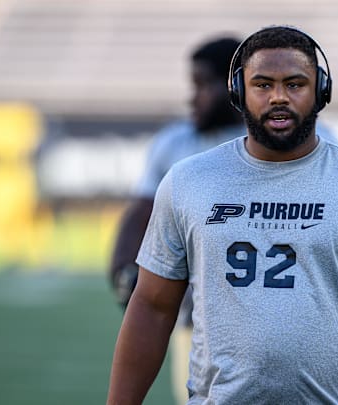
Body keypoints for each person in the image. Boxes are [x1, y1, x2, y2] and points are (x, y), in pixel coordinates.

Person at [107, 25, 338, 404]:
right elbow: (153, 306)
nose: (279, 97)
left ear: (320, 91)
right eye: (262, 84)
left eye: (295, 84)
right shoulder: (188, 180)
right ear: (239, 91)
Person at [107, 35, 244, 404]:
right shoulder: (176, 143)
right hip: (195, 320)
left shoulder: (287, 142)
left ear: (233, 85)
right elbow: (142, 210)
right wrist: (123, 265)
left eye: (202, 85)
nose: (192, 97)